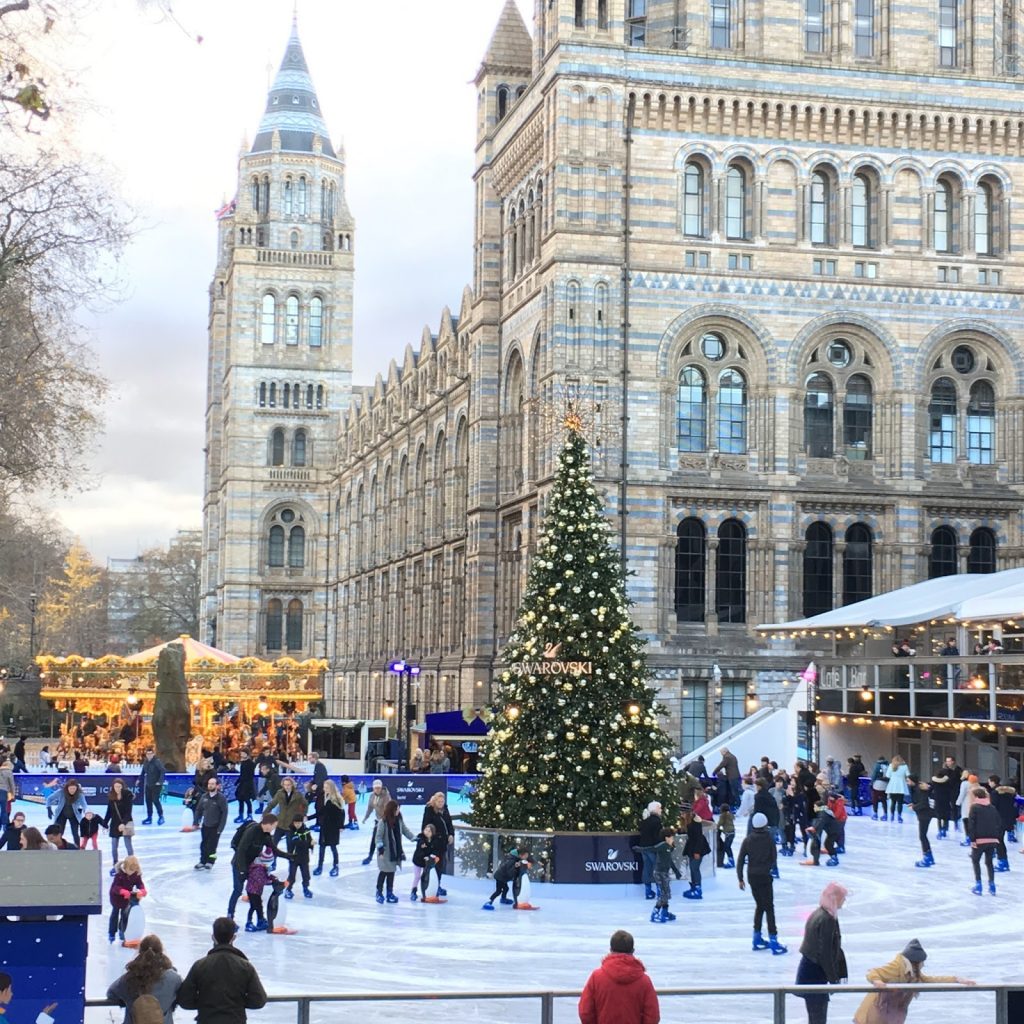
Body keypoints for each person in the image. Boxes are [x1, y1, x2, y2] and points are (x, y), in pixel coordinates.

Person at [852, 939, 974, 1024]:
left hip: (889, 1016)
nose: (923, 965)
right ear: (915, 961)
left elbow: (931, 980)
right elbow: (872, 972)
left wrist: (956, 979)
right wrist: (877, 981)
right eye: (921, 962)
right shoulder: (897, 966)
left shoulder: (914, 974)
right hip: (875, 1015)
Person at [177, 917, 267, 1024]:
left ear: (213, 937)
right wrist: (237, 1003)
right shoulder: (245, 967)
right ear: (233, 938)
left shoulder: (200, 966)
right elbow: (258, 1000)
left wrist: (205, 1003)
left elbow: (184, 1000)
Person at [578, 929, 660, 1024]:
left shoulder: (596, 977)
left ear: (611, 950)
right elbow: (652, 1016)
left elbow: (585, 1012)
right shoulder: (644, 981)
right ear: (632, 951)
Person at [795, 882, 848, 1024]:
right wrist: (833, 978)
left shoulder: (821, 913)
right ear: (835, 899)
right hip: (814, 974)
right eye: (843, 897)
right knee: (818, 1017)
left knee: (815, 1016)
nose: (845, 900)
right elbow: (825, 953)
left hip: (810, 971)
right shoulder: (827, 919)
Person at [737, 811, 785, 953]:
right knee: (769, 907)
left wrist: (740, 878)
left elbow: (740, 860)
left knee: (760, 906)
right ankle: (773, 939)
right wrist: (768, 868)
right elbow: (773, 857)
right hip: (764, 876)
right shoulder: (769, 839)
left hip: (752, 877)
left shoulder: (748, 840)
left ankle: (756, 937)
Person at [107, 933, 182, 1024]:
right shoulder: (174, 979)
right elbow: (184, 996)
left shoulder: (129, 978)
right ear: (161, 952)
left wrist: (127, 1000)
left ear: (140, 952)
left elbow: (111, 993)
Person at [227, 813, 283, 920]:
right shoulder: (252, 831)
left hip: (251, 866)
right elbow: (241, 850)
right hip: (239, 865)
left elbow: (275, 850)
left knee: (254, 893)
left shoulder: (265, 836)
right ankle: (230, 917)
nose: (274, 829)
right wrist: (243, 870)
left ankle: (260, 919)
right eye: (274, 826)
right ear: (268, 824)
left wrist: (289, 856)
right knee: (238, 890)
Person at [373, 799, 414, 903]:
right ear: (391, 810)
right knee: (384, 873)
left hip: (395, 852)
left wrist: (414, 838)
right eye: (396, 809)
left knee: (391, 873)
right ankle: (379, 892)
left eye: (398, 809)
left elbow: (405, 830)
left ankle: (389, 893)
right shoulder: (383, 822)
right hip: (386, 852)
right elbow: (378, 837)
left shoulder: (399, 820)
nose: (398, 811)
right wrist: (381, 850)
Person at [967, 784, 1003, 895]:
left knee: (975, 860)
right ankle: (992, 886)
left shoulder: (974, 807)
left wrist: (972, 839)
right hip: (992, 840)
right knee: (989, 862)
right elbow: (999, 823)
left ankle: (979, 885)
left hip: (979, 840)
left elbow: (971, 825)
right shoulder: (992, 807)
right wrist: (996, 837)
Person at [421, 791, 455, 897]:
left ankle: (438, 885)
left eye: (442, 801)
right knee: (431, 866)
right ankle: (427, 887)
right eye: (439, 802)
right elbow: (425, 826)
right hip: (433, 843)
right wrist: (428, 840)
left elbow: (449, 823)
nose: (441, 803)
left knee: (440, 866)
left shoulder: (445, 809)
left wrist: (451, 834)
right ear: (435, 801)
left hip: (443, 843)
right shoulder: (429, 809)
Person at [109, 855, 147, 944]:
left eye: (133, 871)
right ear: (125, 867)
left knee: (124, 915)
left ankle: (122, 931)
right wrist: (122, 891)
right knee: (115, 914)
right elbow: (115, 887)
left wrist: (142, 889)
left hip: (126, 898)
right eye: (130, 870)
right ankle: (112, 933)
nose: (132, 872)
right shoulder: (119, 875)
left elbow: (139, 883)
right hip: (116, 897)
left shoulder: (135, 874)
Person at [194, 775, 229, 870]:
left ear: (217, 786)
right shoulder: (204, 796)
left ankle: (210, 861)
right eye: (209, 784)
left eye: (212, 784)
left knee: (212, 846)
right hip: (205, 825)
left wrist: (220, 828)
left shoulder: (221, 798)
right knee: (204, 844)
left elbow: (224, 814)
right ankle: (202, 861)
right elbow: (199, 810)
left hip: (216, 826)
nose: (210, 785)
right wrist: (196, 822)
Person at [103, 777, 136, 875]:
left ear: (122, 786)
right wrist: (105, 823)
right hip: (114, 823)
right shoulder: (111, 796)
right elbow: (109, 811)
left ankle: (132, 865)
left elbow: (128, 812)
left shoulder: (127, 795)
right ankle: (115, 865)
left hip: (126, 822)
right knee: (114, 846)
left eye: (119, 786)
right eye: (116, 786)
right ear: (113, 787)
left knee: (128, 845)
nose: (118, 788)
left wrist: (123, 823)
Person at [482, 846, 529, 910]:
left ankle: (503, 899)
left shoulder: (515, 858)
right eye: (525, 856)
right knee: (498, 891)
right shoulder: (512, 860)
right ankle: (489, 901)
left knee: (506, 888)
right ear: (521, 855)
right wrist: (516, 867)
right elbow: (509, 872)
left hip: (503, 877)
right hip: (500, 877)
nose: (526, 857)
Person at [313, 779, 344, 877]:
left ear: (331, 788)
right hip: (324, 827)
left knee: (333, 847)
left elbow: (341, 814)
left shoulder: (336, 799)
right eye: (324, 787)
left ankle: (336, 866)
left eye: (327, 787)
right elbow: (320, 811)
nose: (325, 789)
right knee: (322, 847)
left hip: (333, 828)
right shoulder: (323, 796)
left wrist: (341, 826)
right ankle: (319, 866)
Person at [411, 822, 446, 901]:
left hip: (426, 863)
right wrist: (425, 856)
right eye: (426, 830)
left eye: (429, 831)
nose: (426, 832)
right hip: (418, 861)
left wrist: (433, 856)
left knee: (427, 876)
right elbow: (420, 851)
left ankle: (428, 892)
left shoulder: (435, 841)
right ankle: (413, 891)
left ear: (432, 833)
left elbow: (436, 850)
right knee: (417, 876)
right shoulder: (421, 840)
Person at [46, 779, 87, 845]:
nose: (72, 790)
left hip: (74, 815)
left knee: (75, 833)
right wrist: (48, 808)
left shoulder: (79, 794)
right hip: (61, 814)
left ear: (77, 788)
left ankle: (78, 849)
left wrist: (86, 812)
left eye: (74, 788)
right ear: (67, 788)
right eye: (71, 788)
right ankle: (57, 847)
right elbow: (49, 798)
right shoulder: (61, 792)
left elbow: (84, 804)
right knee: (59, 833)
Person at [680, 809, 709, 900]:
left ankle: (697, 889)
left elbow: (699, 837)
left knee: (694, 868)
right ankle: (694, 887)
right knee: (692, 868)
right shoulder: (688, 822)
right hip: (692, 848)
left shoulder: (695, 822)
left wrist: (697, 851)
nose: (681, 815)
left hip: (698, 848)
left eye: (683, 813)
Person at [283, 814, 314, 899]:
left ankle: (306, 888)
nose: (297, 825)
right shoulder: (290, 832)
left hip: (304, 857)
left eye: (299, 823)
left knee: (306, 875)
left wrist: (311, 843)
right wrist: (308, 843)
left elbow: (309, 839)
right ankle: (288, 889)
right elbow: (294, 842)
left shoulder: (306, 830)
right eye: (296, 823)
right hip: (293, 857)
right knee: (292, 875)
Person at [637, 801, 663, 900]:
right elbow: (657, 837)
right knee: (657, 869)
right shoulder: (657, 822)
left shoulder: (645, 821)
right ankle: (660, 890)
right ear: (655, 809)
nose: (661, 810)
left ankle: (648, 891)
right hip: (653, 848)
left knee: (647, 868)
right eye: (660, 808)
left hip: (644, 847)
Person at [907, 775, 934, 867]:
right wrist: (914, 804)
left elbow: (923, 803)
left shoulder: (919, 789)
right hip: (923, 814)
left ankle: (927, 857)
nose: (907, 783)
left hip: (925, 815)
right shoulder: (916, 788)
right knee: (923, 836)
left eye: (908, 781)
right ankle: (930, 857)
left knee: (922, 836)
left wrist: (914, 807)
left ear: (912, 781)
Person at [930, 755, 959, 837]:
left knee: (939, 816)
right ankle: (945, 829)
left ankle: (940, 830)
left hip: (938, 800)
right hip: (946, 799)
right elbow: (952, 786)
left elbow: (931, 789)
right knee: (946, 815)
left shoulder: (935, 781)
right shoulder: (948, 780)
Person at [139, 749, 166, 826]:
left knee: (155, 800)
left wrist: (160, 781)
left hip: (156, 785)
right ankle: (149, 817)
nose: (149, 755)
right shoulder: (146, 762)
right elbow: (143, 772)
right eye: (147, 754)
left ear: (153, 754)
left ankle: (161, 816)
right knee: (148, 801)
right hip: (148, 784)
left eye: (150, 754)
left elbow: (163, 770)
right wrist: (139, 779)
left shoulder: (157, 761)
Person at [233, 749, 257, 824]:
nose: (242, 755)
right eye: (241, 753)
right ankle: (241, 815)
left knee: (247, 800)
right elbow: (242, 774)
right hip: (242, 784)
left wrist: (244, 782)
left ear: (247, 754)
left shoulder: (251, 763)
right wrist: (237, 782)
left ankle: (249, 815)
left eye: (243, 753)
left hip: (247, 784)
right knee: (240, 800)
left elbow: (250, 775)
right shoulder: (243, 763)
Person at [884, 755, 910, 823]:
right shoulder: (904, 766)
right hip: (901, 786)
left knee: (893, 802)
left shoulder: (891, 765)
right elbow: (908, 775)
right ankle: (899, 816)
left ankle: (892, 815)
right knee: (900, 803)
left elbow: (887, 775)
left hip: (893, 786)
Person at [0, 757, 14, 832]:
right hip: (4, 792)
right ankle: (5, 827)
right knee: (4, 811)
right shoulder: (8, 771)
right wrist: (13, 795)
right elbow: (12, 784)